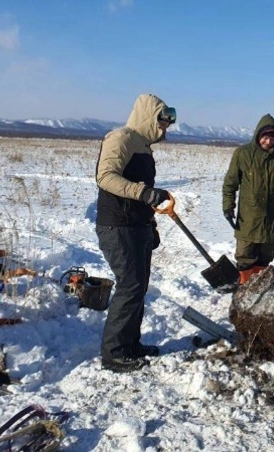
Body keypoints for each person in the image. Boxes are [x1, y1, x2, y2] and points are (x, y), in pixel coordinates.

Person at [94, 93, 175, 373]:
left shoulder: (143, 146)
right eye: (162, 123)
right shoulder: (121, 138)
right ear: (149, 117)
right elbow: (105, 177)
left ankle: (130, 344)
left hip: (136, 225)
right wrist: (143, 192)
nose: (164, 129)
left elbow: (139, 190)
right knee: (128, 287)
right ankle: (114, 353)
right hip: (117, 226)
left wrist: (149, 223)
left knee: (138, 287)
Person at [222, 114, 274, 284]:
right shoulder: (242, 154)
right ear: (258, 135)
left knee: (266, 255)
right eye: (265, 137)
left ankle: (259, 287)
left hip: (272, 216)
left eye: (272, 139)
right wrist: (228, 206)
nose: (268, 142)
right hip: (249, 216)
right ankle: (244, 288)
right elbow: (230, 183)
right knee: (245, 255)